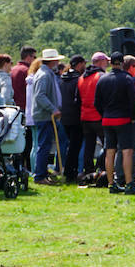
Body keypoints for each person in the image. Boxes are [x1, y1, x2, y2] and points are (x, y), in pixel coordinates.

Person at [96, 55, 135, 195]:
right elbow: (133, 102)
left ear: (110, 63)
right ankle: (129, 183)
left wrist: (104, 114)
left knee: (110, 152)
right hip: (123, 119)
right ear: (123, 63)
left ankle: (112, 184)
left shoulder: (102, 79)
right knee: (127, 151)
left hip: (107, 119)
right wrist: (134, 118)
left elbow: (97, 102)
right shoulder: (128, 79)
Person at [27, 49, 66, 185]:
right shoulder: (44, 75)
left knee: (45, 145)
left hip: (46, 115)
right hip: (44, 116)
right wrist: (53, 109)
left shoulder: (46, 73)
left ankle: (42, 173)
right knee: (44, 146)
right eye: (57, 60)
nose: (58, 62)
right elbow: (40, 95)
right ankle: (39, 176)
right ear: (52, 61)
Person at [77, 52, 108, 183]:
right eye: (106, 61)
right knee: (108, 144)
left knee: (88, 146)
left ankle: (88, 172)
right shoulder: (101, 76)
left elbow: (77, 99)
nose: (107, 64)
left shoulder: (82, 77)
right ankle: (102, 169)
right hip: (98, 116)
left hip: (85, 116)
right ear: (100, 62)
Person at [59, 55, 85, 183]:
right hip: (76, 116)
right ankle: (71, 172)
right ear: (79, 64)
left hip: (64, 116)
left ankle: (68, 170)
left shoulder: (62, 79)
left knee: (71, 145)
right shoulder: (78, 80)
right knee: (76, 146)